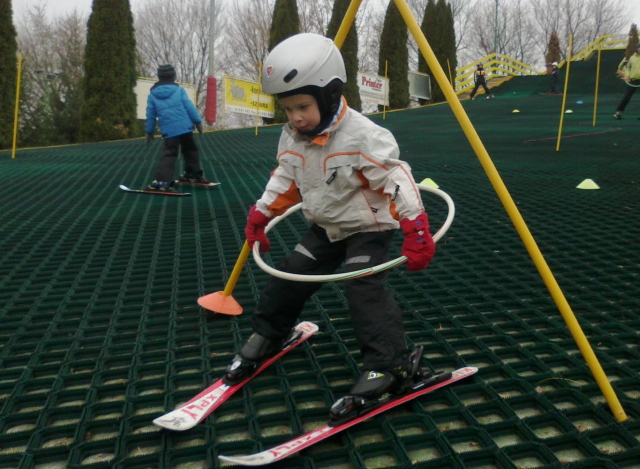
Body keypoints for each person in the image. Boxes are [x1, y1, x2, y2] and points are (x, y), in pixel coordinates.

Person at [223, 33, 436, 422]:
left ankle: (391, 365)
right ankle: (270, 333)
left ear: (329, 95)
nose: (295, 117)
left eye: (302, 106)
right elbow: (285, 180)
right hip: (325, 227)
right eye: (287, 109)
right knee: (290, 275)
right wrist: (262, 213)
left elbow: (396, 179)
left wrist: (416, 227)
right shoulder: (293, 137)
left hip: (367, 228)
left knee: (361, 284)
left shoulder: (362, 136)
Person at [144, 64, 209, 192]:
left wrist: (149, 131)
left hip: (170, 131)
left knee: (169, 154)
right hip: (186, 127)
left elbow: (150, 115)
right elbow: (189, 107)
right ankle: (193, 173)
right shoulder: (179, 90)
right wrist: (198, 122)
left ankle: (162, 182)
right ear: (173, 76)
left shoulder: (152, 96)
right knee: (190, 150)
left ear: (159, 77)